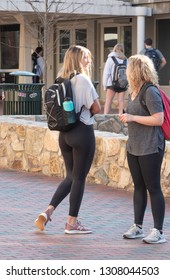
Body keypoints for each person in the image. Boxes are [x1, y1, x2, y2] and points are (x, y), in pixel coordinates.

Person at [35, 45, 101, 234]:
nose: (89, 61)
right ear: (80, 60)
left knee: (71, 176)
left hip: (65, 134)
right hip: (82, 132)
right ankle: (72, 223)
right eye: (87, 57)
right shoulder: (83, 80)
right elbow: (96, 108)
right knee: (79, 178)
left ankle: (48, 211)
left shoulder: (61, 79)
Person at [119, 54, 167, 244]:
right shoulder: (135, 91)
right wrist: (126, 116)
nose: (126, 72)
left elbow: (158, 119)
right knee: (138, 187)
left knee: (153, 188)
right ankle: (137, 226)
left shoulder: (150, 91)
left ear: (136, 70)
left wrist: (132, 118)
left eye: (128, 68)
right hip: (134, 146)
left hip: (150, 146)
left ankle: (158, 231)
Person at [102, 43, 128, 114]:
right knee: (121, 101)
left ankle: (105, 117)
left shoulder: (110, 59)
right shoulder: (126, 60)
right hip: (122, 83)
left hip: (111, 84)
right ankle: (121, 117)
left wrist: (105, 86)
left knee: (108, 101)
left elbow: (106, 73)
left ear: (114, 49)